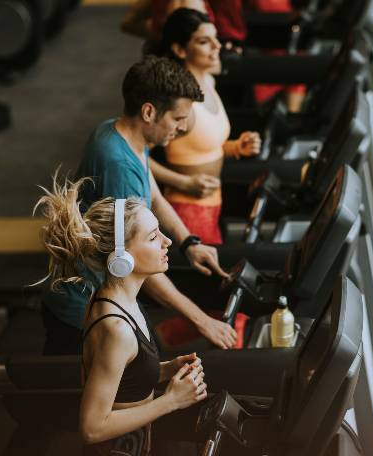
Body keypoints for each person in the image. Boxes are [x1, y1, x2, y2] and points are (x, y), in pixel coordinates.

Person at [41, 55, 238, 355]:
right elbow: (135, 262)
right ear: (149, 112)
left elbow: (155, 198)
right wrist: (201, 321)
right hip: (85, 309)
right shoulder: (118, 165)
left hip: (109, 297)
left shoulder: (122, 134)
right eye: (177, 118)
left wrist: (189, 243)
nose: (183, 128)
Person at [35, 177, 207, 455]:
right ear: (121, 257)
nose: (167, 241)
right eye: (153, 237)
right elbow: (92, 428)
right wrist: (171, 401)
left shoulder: (120, 300)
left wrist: (165, 369)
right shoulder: (116, 328)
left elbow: (122, 378)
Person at [149, 8, 261, 245]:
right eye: (204, 41)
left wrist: (237, 147)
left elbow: (203, 146)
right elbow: (135, 154)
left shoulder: (208, 81)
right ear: (180, 50)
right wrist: (183, 183)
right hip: (186, 211)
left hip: (214, 206)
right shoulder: (179, 102)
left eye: (216, 39)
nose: (217, 46)